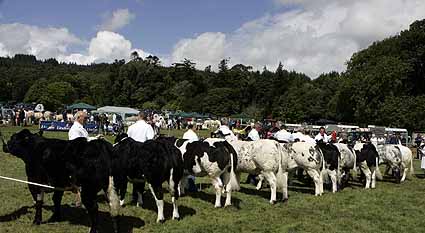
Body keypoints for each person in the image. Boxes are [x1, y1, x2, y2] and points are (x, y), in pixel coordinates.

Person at [126, 112, 155, 204]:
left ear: (138, 117)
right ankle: (139, 196)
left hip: (131, 152)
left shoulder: (131, 127)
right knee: (142, 175)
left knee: (132, 173)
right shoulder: (148, 127)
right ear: (145, 118)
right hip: (143, 152)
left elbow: (128, 139)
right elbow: (150, 140)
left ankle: (135, 195)